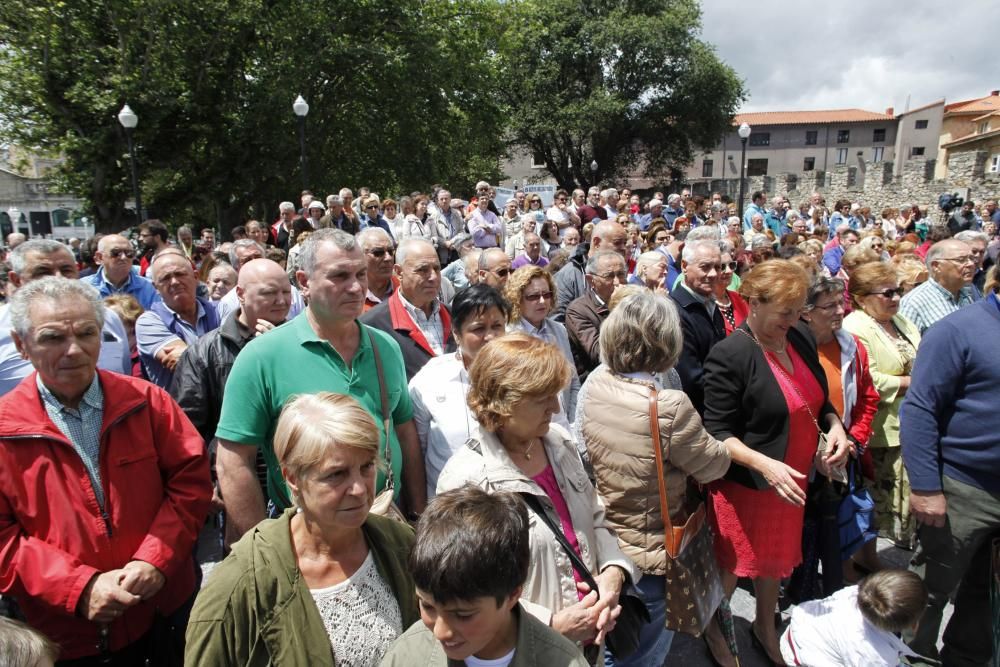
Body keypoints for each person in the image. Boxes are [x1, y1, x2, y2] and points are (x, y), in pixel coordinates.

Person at [0, 277, 211, 663]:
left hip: (164, 611)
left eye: (87, 333)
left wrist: (154, 561)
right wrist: (80, 587)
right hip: (66, 634)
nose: (74, 350)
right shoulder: (5, 427)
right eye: (52, 338)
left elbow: (191, 484)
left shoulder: (148, 402)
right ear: (21, 345)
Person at [215, 229, 426, 540]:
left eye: (359, 274)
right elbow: (233, 459)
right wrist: (260, 549)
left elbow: (404, 431)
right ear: (303, 282)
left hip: (384, 528)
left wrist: (418, 517)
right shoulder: (262, 356)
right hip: (306, 539)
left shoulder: (386, 347)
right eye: (339, 276)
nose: (356, 287)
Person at [436, 334, 636, 657]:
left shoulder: (558, 443)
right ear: (503, 401)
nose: (556, 407)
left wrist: (613, 574)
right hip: (526, 652)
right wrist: (550, 623)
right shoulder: (465, 480)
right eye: (542, 397)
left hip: (588, 643)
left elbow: (597, 514)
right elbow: (465, 589)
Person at [186, 393, 418, 666]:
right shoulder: (240, 585)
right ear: (293, 478)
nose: (359, 489)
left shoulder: (401, 545)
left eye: (366, 466)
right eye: (336, 474)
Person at [703, 260, 852, 665]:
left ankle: (764, 625)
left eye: (797, 309)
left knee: (775, 561)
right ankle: (716, 628)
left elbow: (819, 400)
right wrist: (765, 465)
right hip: (748, 487)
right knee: (733, 567)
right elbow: (716, 431)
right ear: (754, 302)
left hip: (793, 481)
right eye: (784, 311)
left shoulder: (798, 337)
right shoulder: (730, 354)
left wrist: (836, 427)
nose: (792, 319)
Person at [579, 291, 733, 666]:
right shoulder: (666, 404)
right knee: (644, 653)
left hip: (608, 537)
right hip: (651, 550)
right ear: (666, 341)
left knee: (615, 643)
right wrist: (729, 446)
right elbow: (712, 465)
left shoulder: (597, 385)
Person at [899, 265, 1000, 666]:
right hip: (962, 488)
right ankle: (909, 658)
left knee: (988, 593)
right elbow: (920, 409)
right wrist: (925, 487)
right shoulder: (958, 330)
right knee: (929, 590)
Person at [381, 486, 589, 667]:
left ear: (513, 594)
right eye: (427, 607)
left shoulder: (562, 661)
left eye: (463, 615)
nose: (441, 632)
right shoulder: (406, 655)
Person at [800, 277, 882, 579]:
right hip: (801, 457)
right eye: (830, 306)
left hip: (842, 452)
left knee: (839, 526)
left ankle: (841, 578)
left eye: (841, 303)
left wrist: (853, 440)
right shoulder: (791, 347)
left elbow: (868, 397)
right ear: (807, 312)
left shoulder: (852, 346)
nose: (840, 310)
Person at [842, 262, 921, 550]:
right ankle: (867, 554)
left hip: (910, 419)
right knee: (877, 496)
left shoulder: (901, 322)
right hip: (879, 426)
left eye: (899, 291)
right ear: (862, 298)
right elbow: (868, 377)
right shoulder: (855, 326)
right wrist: (911, 382)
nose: (897, 298)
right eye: (888, 293)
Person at [409, 286, 510, 500]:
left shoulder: (523, 374)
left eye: (497, 326)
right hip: (451, 508)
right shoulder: (431, 379)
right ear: (456, 333)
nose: (490, 336)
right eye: (479, 328)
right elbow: (416, 450)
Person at [0, 240, 132, 396]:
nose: (58, 278)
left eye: (66, 270)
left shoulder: (108, 317)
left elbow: (124, 374)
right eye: (43, 272)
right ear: (16, 279)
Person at [779, 570, 927, 666]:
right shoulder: (877, 657)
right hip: (804, 659)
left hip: (798, 634)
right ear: (913, 625)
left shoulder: (855, 594)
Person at [361, 238, 456, 380]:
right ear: (399, 272)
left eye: (437, 268)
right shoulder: (371, 325)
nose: (433, 277)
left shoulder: (456, 316)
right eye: (423, 270)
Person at [136, 250, 221, 389]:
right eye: (165, 278)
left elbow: (189, 360)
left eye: (180, 274)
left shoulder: (220, 310)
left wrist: (188, 354)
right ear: (155, 287)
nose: (174, 282)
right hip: (178, 409)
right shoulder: (148, 322)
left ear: (196, 277)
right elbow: (185, 365)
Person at [506, 266, 580, 420]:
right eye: (533, 296)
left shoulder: (559, 330)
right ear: (517, 298)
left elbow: (573, 380)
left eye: (547, 295)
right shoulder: (508, 336)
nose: (542, 301)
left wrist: (571, 420)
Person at [670, 240, 726, 414]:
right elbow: (691, 378)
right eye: (705, 267)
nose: (713, 274)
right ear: (685, 266)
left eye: (717, 267)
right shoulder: (675, 311)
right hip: (700, 413)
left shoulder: (710, 303)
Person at [566, 251, 625, 383]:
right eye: (609, 276)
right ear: (591, 280)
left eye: (621, 274)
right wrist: (621, 310)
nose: (617, 282)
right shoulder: (578, 310)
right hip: (598, 384)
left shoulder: (632, 300)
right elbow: (599, 354)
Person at [899, 239, 977, 333]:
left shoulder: (970, 294)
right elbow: (907, 344)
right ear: (936, 266)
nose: (971, 264)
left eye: (971, 259)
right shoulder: (914, 303)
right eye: (961, 260)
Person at [554, 220, 627, 321]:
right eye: (617, 242)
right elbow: (558, 322)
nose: (624, 248)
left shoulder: (621, 270)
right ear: (596, 243)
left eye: (625, 243)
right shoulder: (569, 275)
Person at [81, 234, 161, 308]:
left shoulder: (150, 287)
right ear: (99, 258)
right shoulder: (83, 288)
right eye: (116, 253)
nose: (124, 257)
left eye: (129, 253)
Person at [712, 247, 748, 335]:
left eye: (731, 265)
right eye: (722, 267)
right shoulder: (705, 303)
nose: (728, 271)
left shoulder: (739, 298)